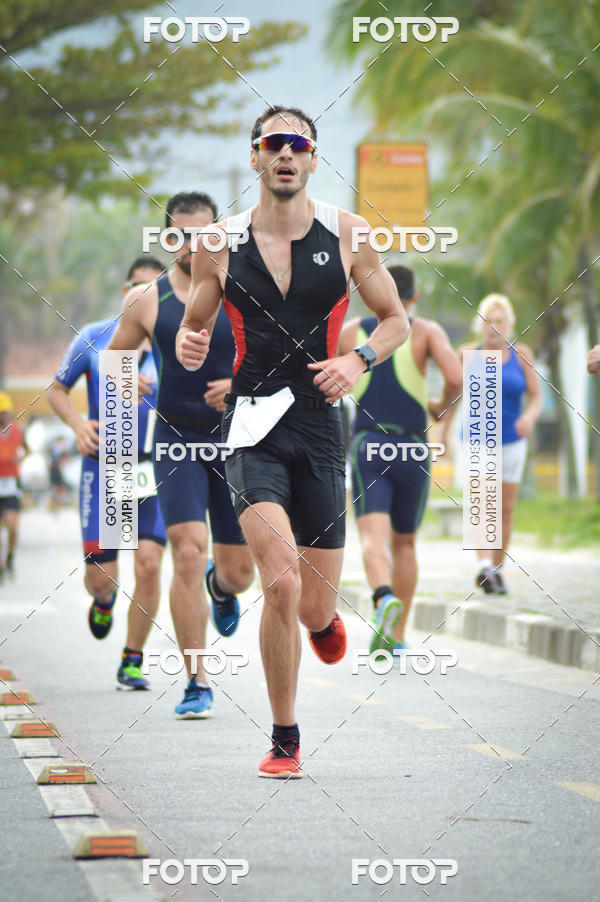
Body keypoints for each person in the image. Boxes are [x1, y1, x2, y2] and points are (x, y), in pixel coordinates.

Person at [176, 106, 409, 777]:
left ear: (312, 159)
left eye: (297, 144)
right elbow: (197, 318)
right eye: (273, 143)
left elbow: (393, 321)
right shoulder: (219, 243)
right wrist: (192, 344)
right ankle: (284, 737)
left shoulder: (349, 235)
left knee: (313, 604)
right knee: (279, 584)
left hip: (319, 422)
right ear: (255, 158)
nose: (285, 153)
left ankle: (322, 618)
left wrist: (359, 359)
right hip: (251, 426)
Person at [108, 191, 254, 719]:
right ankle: (196, 679)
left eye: (204, 234)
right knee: (186, 550)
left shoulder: (242, 290)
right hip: (174, 440)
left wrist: (238, 385)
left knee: (239, 572)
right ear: (168, 238)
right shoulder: (149, 298)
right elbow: (115, 358)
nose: (194, 245)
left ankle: (222, 587)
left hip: (235, 439)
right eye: (182, 234)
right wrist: (131, 384)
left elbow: (281, 357)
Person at [48, 256, 168, 689]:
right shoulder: (95, 337)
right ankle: (104, 600)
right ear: (125, 293)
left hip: (152, 468)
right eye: (139, 288)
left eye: (156, 289)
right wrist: (79, 425)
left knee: (151, 565)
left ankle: (132, 658)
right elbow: (57, 390)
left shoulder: (174, 341)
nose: (146, 297)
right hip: (106, 467)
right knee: (101, 580)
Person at [339, 265, 462, 653]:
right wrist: (441, 411)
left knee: (372, 538)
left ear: (372, 293)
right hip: (413, 447)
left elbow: (319, 372)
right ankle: (399, 635)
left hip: (369, 445)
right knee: (405, 543)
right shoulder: (426, 331)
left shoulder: (351, 333)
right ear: (415, 297)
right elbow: (457, 377)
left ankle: (382, 597)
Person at [453, 293, 542, 594]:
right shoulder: (468, 352)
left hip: (512, 441)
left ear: (510, 323)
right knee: (481, 503)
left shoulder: (522, 354)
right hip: (477, 440)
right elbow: (453, 394)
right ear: (479, 324)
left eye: (499, 321)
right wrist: (440, 431)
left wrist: (529, 417)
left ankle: (496, 569)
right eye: (488, 321)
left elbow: (536, 395)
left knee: (504, 509)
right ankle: (483, 565)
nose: (493, 326)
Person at [0, 392, 25, 582]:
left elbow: (24, 449)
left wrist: (20, 456)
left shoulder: (17, 430)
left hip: (11, 483)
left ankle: (10, 556)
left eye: (4, 413)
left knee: (13, 526)